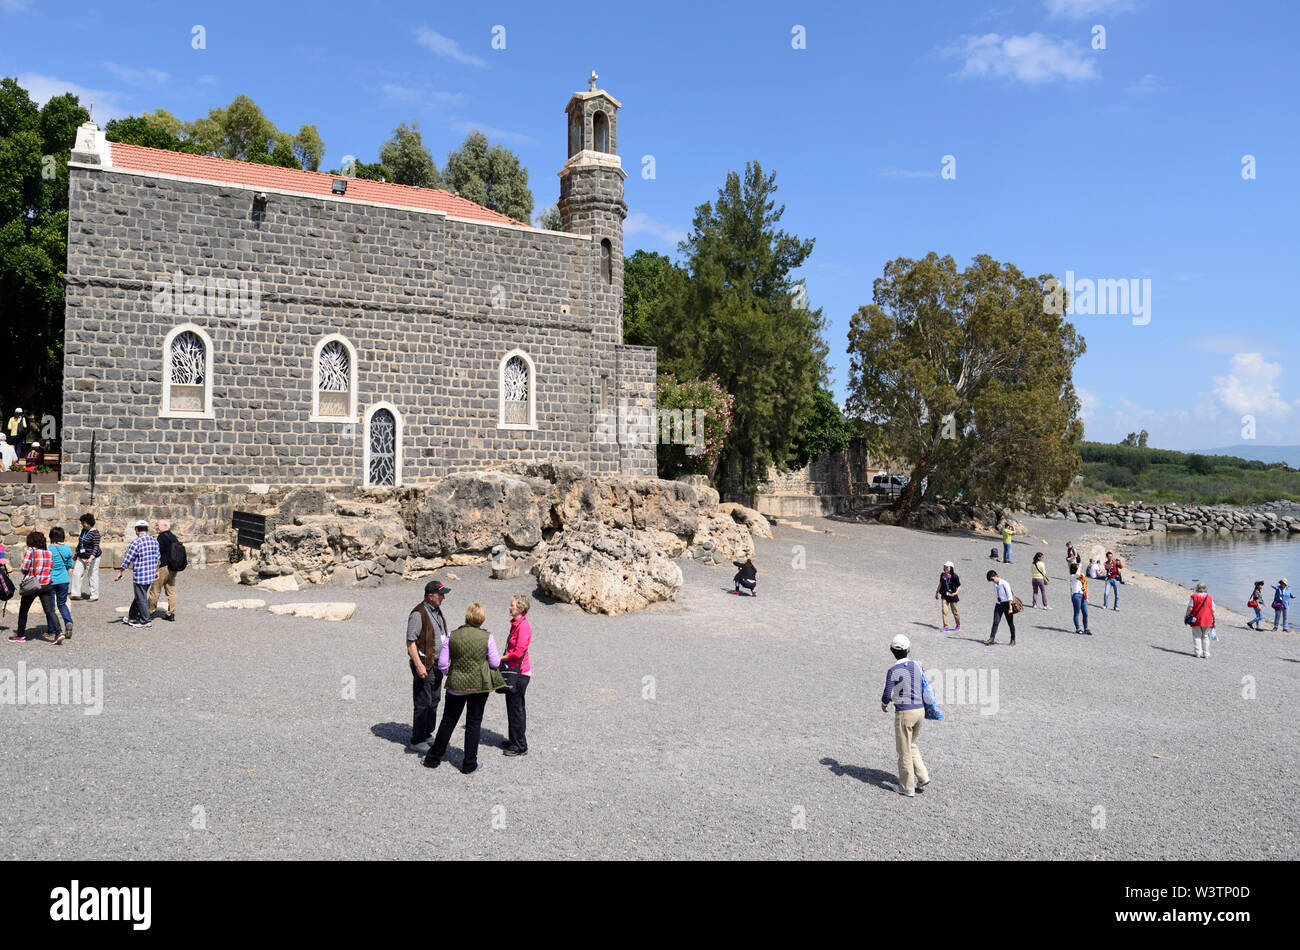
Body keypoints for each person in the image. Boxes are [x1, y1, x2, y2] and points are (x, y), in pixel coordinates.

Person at [424, 602, 505, 775]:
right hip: (479, 686)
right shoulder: (487, 637)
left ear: (467, 616)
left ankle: (433, 759)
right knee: (474, 723)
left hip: (456, 685)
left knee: (448, 721)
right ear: (482, 618)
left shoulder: (452, 635)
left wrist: (449, 672)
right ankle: (469, 764)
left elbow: (443, 663)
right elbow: (495, 662)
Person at [880, 633, 932, 798]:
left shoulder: (893, 670)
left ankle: (907, 787)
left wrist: (883, 703)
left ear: (891, 650)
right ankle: (923, 776)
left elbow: (887, 694)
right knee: (911, 743)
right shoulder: (917, 665)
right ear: (908, 649)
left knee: (903, 750)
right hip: (920, 710)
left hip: (905, 712)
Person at [405, 579, 450, 754]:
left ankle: (426, 734)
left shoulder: (436, 611)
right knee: (423, 702)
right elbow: (410, 642)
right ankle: (417, 740)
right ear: (430, 596)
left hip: (437, 664)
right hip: (425, 664)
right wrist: (418, 666)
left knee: (434, 701)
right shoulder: (418, 614)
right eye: (441, 594)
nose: (443, 597)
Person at [8, 531, 63, 643]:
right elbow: (50, 567)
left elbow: (24, 568)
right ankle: (59, 632)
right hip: (46, 584)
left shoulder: (30, 551)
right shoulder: (49, 552)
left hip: (33, 585)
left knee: (23, 610)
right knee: (50, 611)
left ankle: (21, 635)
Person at [501, 593, 533, 757]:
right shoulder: (516, 624)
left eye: (512, 605)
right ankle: (514, 739)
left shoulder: (523, 627)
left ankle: (520, 745)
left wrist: (499, 658)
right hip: (514, 672)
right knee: (513, 707)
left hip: (520, 674)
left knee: (516, 709)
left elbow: (517, 653)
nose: (510, 607)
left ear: (521, 608)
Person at [116, 520, 159, 629]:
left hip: (140, 575)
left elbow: (127, 558)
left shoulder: (137, 542)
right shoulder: (154, 541)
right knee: (139, 596)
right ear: (147, 529)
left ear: (136, 530)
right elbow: (158, 558)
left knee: (141, 597)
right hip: (150, 574)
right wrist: (157, 571)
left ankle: (145, 620)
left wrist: (120, 571)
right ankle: (132, 617)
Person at [47, 526, 75, 643]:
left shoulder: (48, 549)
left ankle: (52, 629)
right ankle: (68, 621)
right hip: (64, 579)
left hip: (51, 580)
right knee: (62, 603)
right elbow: (69, 564)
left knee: (50, 607)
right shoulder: (67, 549)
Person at [147, 519, 179, 622]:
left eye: (158, 525)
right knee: (171, 591)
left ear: (165, 526)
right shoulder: (173, 537)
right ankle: (171, 613)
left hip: (163, 567)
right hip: (173, 568)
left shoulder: (162, 537)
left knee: (155, 591)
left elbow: (158, 554)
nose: (156, 527)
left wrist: (155, 569)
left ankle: (150, 612)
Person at [71, 513, 101, 602]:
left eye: (83, 523)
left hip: (92, 557)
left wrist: (91, 557)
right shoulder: (84, 531)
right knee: (76, 574)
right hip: (81, 556)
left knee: (92, 575)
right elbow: (81, 542)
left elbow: (96, 546)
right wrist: (76, 551)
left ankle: (94, 595)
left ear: (88, 523)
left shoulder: (95, 533)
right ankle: (75, 594)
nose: (82, 524)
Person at [984, 569, 1016, 646]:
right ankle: (992, 638)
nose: (992, 581)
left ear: (996, 576)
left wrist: (1010, 608)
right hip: (998, 604)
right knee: (995, 621)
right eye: (990, 580)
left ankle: (1013, 639)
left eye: (992, 579)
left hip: (1007, 604)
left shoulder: (1005, 583)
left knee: (1010, 623)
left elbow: (1010, 596)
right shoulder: (995, 584)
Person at [1185, 582, 1215, 659]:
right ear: (1205, 589)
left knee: (1197, 636)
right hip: (1207, 619)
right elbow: (1213, 610)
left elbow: (1190, 608)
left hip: (1196, 619)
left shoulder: (1194, 596)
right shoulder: (1210, 597)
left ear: (1197, 588)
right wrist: (1213, 619)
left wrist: (1186, 616)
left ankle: (1198, 652)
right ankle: (1206, 654)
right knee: (1205, 636)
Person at [935, 560, 962, 632]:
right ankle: (946, 627)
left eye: (947, 567)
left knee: (955, 612)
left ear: (951, 568)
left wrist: (955, 593)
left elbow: (959, 586)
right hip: (944, 595)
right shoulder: (942, 575)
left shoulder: (955, 576)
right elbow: (940, 584)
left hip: (953, 596)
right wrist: (937, 592)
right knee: (944, 611)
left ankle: (958, 624)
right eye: (945, 566)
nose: (945, 568)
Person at [1071, 563, 1092, 636]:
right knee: (1077, 613)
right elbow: (1077, 574)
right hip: (1076, 595)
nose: (1080, 569)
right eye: (1078, 568)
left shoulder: (1082, 576)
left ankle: (1086, 628)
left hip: (1083, 595)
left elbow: (1085, 586)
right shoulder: (1073, 576)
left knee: (1085, 613)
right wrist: (1079, 566)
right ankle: (1078, 629)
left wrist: (1087, 597)